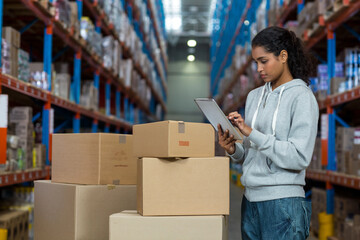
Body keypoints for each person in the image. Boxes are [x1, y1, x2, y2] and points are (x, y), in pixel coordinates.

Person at [218, 26, 319, 240]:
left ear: (283, 56)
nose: (259, 69)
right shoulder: (254, 96)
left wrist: (252, 133)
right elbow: (251, 153)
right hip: (251, 201)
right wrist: (234, 150)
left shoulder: (302, 97)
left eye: (264, 61)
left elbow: (299, 157)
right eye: (255, 62)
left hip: (284, 204)